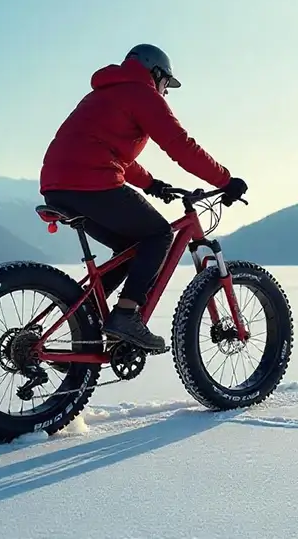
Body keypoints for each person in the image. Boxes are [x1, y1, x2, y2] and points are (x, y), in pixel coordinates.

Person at [39, 43, 247, 353]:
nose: (166, 91)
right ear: (156, 73)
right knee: (159, 234)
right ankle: (126, 315)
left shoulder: (104, 93)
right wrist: (226, 181)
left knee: (130, 249)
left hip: (57, 185)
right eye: (167, 83)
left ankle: (83, 318)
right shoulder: (142, 93)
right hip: (90, 180)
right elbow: (181, 146)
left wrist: (151, 184)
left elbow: (107, 151)